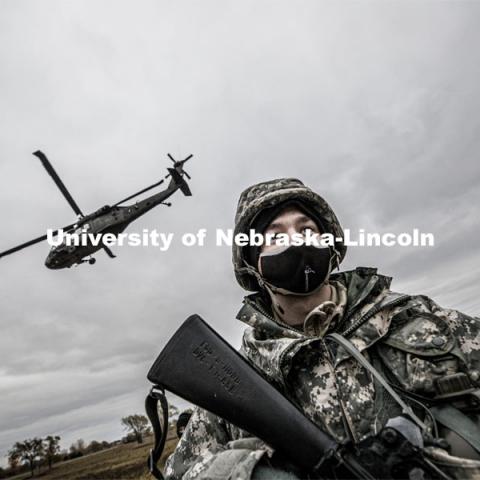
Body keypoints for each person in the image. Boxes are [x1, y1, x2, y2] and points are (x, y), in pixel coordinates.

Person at [164, 178, 480, 479]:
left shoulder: (414, 318)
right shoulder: (234, 377)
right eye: (274, 237)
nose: (297, 241)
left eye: (308, 229)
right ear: (252, 264)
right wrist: (254, 471)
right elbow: (180, 471)